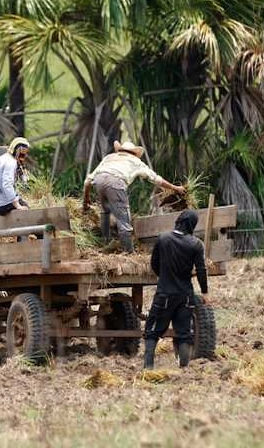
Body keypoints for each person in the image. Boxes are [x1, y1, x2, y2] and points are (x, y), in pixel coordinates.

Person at [83, 141, 185, 253]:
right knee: (124, 219)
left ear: (120, 150)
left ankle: (106, 245)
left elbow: (87, 181)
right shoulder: (135, 161)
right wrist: (175, 188)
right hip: (116, 182)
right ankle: (128, 252)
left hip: (99, 181)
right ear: (134, 153)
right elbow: (156, 179)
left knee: (106, 213)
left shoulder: (109, 158)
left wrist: (86, 199)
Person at [143, 209, 209, 370]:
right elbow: (201, 270)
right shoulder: (195, 244)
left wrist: (164, 276)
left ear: (178, 221)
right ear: (192, 225)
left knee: (152, 330)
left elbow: (154, 264)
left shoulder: (163, 239)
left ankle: (148, 367)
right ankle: (184, 367)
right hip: (185, 295)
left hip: (165, 293)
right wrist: (205, 292)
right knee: (184, 332)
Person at [0, 137, 31, 216]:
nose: (24, 156)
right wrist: (18, 206)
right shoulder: (11, 162)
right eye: (23, 152)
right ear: (17, 150)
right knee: (26, 209)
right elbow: (7, 185)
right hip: (5, 204)